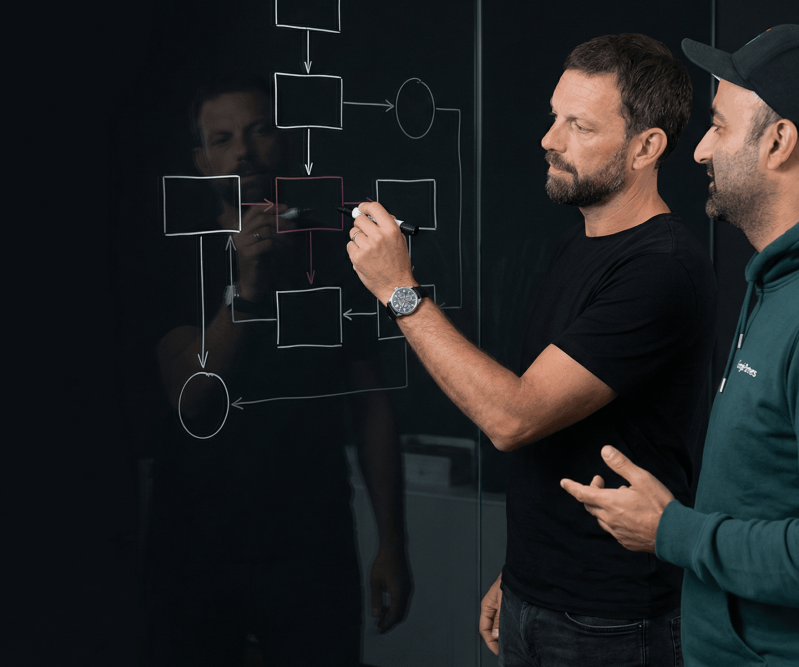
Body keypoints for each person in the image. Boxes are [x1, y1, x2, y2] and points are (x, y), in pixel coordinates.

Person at [346, 34, 716, 665]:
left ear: (646, 148)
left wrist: (400, 291)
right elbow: (559, 441)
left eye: (579, 125)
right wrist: (519, 576)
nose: (550, 138)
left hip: (610, 623)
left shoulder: (660, 270)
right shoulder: (581, 242)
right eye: (554, 116)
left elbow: (514, 418)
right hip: (535, 596)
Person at [146, 73, 411, 666]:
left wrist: (392, 543)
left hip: (311, 547)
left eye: (258, 131)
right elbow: (193, 400)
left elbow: (371, 405)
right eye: (222, 139)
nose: (243, 151)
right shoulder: (172, 255)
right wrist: (247, 287)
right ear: (201, 160)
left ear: (283, 143)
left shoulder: (341, 254)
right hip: (194, 551)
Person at [561, 24, 799, 666]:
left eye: (719, 126)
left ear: (778, 141)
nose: (699, 152)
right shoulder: (772, 284)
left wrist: (673, 531)